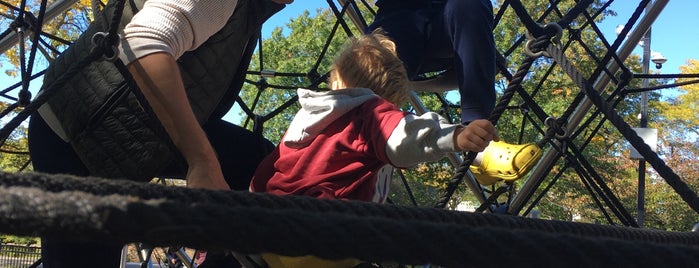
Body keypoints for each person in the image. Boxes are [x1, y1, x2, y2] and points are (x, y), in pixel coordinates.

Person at [27, 0, 293, 267]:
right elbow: (144, 42)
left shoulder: (249, 12)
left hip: (130, 129)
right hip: (78, 136)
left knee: (254, 160)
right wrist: (202, 162)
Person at [250, 30, 499, 268]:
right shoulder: (369, 111)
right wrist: (455, 135)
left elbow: (268, 169)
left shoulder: (307, 118)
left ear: (335, 81)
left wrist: (244, 214)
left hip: (267, 234)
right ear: (391, 99)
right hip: (317, 240)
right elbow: (404, 136)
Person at [367, 0, 542, 185]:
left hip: (447, 19)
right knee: (372, 61)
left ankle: (480, 143)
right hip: (398, 17)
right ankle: (357, 145)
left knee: (470, 5)